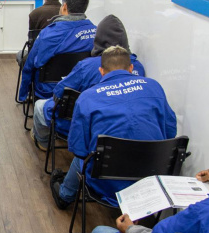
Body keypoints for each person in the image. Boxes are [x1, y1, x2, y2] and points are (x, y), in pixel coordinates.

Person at [50, 46, 176, 209]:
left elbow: (78, 149)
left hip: (106, 185)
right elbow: (170, 131)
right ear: (131, 68)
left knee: (83, 157)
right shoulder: (154, 87)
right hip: (151, 180)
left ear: (101, 71)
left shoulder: (88, 97)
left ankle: (65, 195)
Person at [32, 14, 146, 150]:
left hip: (84, 125)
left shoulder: (86, 66)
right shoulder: (138, 67)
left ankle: (43, 144)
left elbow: (59, 91)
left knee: (39, 106)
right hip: (125, 131)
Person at [16, 0, 97, 103]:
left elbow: (31, 65)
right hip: (82, 88)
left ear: (64, 7)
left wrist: (23, 94)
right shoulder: (96, 32)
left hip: (49, 90)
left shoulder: (49, 34)